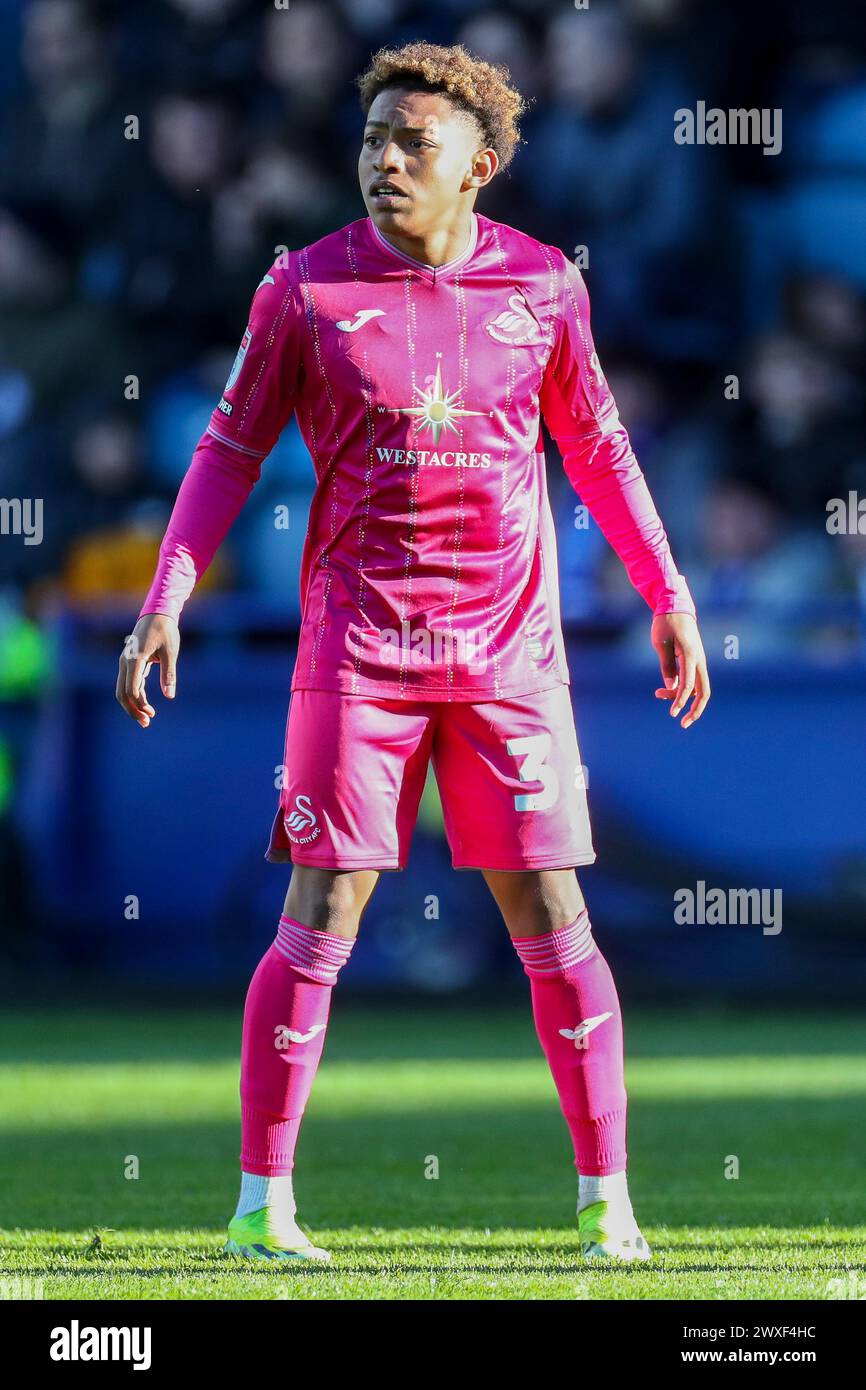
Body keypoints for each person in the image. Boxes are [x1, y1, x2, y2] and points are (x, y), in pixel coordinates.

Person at [116, 41, 710, 1264]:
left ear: (478, 169)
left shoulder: (545, 289)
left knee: (552, 910)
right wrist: (166, 593)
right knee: (321, 907)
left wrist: (667, 589)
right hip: (358, 651)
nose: (383, 163)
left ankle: (608, 1203)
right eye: (373, 140)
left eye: (414, 145)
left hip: (509, 654)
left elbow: (596, 449)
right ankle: (260, 1208)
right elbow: (228, 451)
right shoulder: (303, 290)